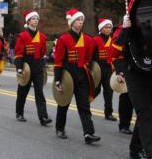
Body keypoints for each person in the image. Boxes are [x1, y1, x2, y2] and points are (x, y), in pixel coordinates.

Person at [112, 14, 152, 159]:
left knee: (148, 114)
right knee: (144, 113)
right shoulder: (123, 29)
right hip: (135, 76)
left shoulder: (151, 29)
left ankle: (135, 149)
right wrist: (125, 29)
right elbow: (114, 51)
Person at [54, 8, 100, 144]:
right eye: (78, 20)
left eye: (82, 20)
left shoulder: (87, 39)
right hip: (67, 76)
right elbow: (58, 61)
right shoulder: (63, 39)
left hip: (81, 77)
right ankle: (60, 128)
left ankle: (88, 133)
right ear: (72, 22)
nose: (80, 23)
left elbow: (89, 57)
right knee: (64, 105)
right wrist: (57, 80)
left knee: (84, 106)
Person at [14, 10, 52, 126]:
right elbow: (19, 53)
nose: (36, 21)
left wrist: (42, 65)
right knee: (22, 92)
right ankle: (19, 112)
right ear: (28, 21)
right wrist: (19, 68)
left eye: (37, 19)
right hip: (26, 68)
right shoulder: (22, 36)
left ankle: (43, 117)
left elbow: (42, 53)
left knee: (39, 93)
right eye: (33, 19)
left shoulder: (42, 37)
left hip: (38, 68)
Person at [109, 23, 134, 134]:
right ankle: (124, 124)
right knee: (127, 97)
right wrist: (119, 71)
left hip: (143, 68)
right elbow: (115, 53)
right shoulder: (121, 29)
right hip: (126, 67)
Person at [93, 18, 117, 121]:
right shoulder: (95, 40)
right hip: (98, 68)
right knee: (96, 90)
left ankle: (108, 113)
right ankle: (84, 104)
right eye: (107, 27)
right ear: (101, 28)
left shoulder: (113, 40)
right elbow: (92, 56)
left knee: (109, 91)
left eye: (110, 27)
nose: (109, 29)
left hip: (108, 69)